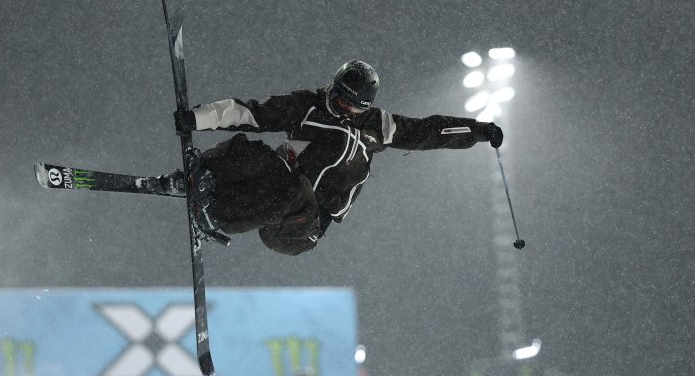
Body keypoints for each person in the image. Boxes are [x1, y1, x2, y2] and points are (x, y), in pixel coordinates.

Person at [157, 61, 502, 255]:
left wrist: (479, 130)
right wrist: (197, 119)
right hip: (272, 191)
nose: (346, 113)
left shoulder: (377, 127)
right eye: (340, 104)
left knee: (294, 188)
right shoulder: (307, 106)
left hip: (302, 226)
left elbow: (428, 130)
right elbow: (250, 112)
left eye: (355, 109)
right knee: (254, 150)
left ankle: (214, 216)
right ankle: (201, 177)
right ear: (332, 91)